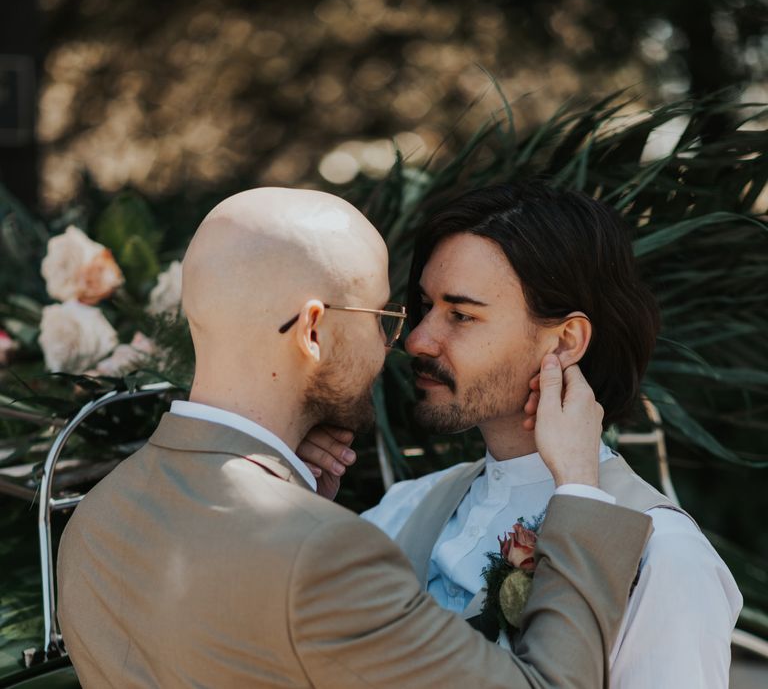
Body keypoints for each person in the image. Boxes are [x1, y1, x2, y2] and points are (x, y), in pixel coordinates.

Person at [56, 187, 653, 689]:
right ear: (313, 330)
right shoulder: (324, 555)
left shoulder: (97, 516)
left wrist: (295, 500)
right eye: (383, 319)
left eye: (458, 314)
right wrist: (579, 491)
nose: (407, 343)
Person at [301, 182, 743, 689]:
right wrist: (300, 514)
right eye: (424, 306)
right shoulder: (405, 508)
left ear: (565, 341)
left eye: (461, 315)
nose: (419, 340)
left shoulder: (663, 556)